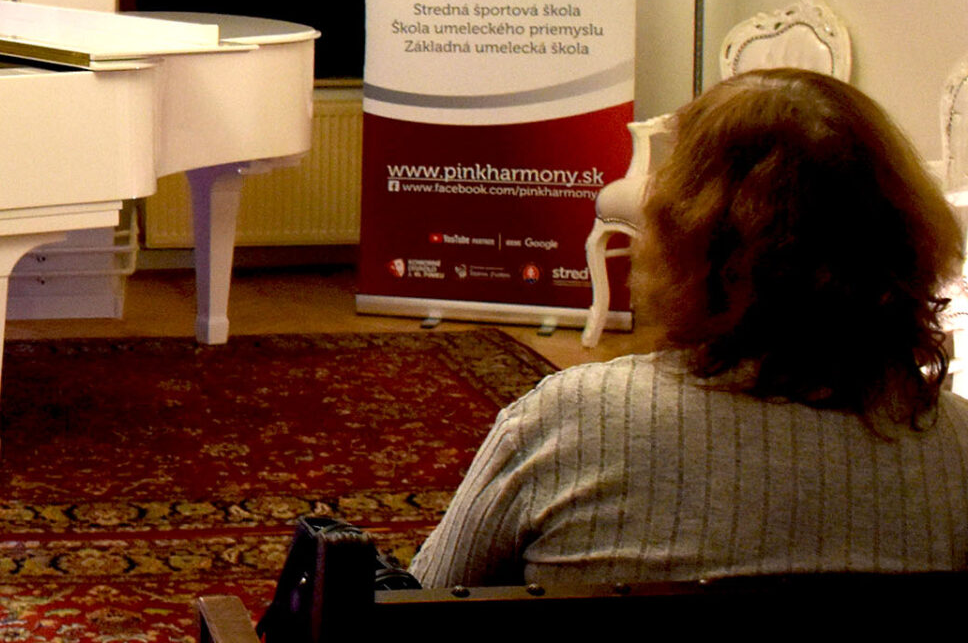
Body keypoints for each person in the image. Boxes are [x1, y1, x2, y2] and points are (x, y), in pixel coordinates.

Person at [412, 69, 968, 588]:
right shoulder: (958, 447)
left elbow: (419, 605)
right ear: (902, 229)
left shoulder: (563, 423)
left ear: (685, 235)